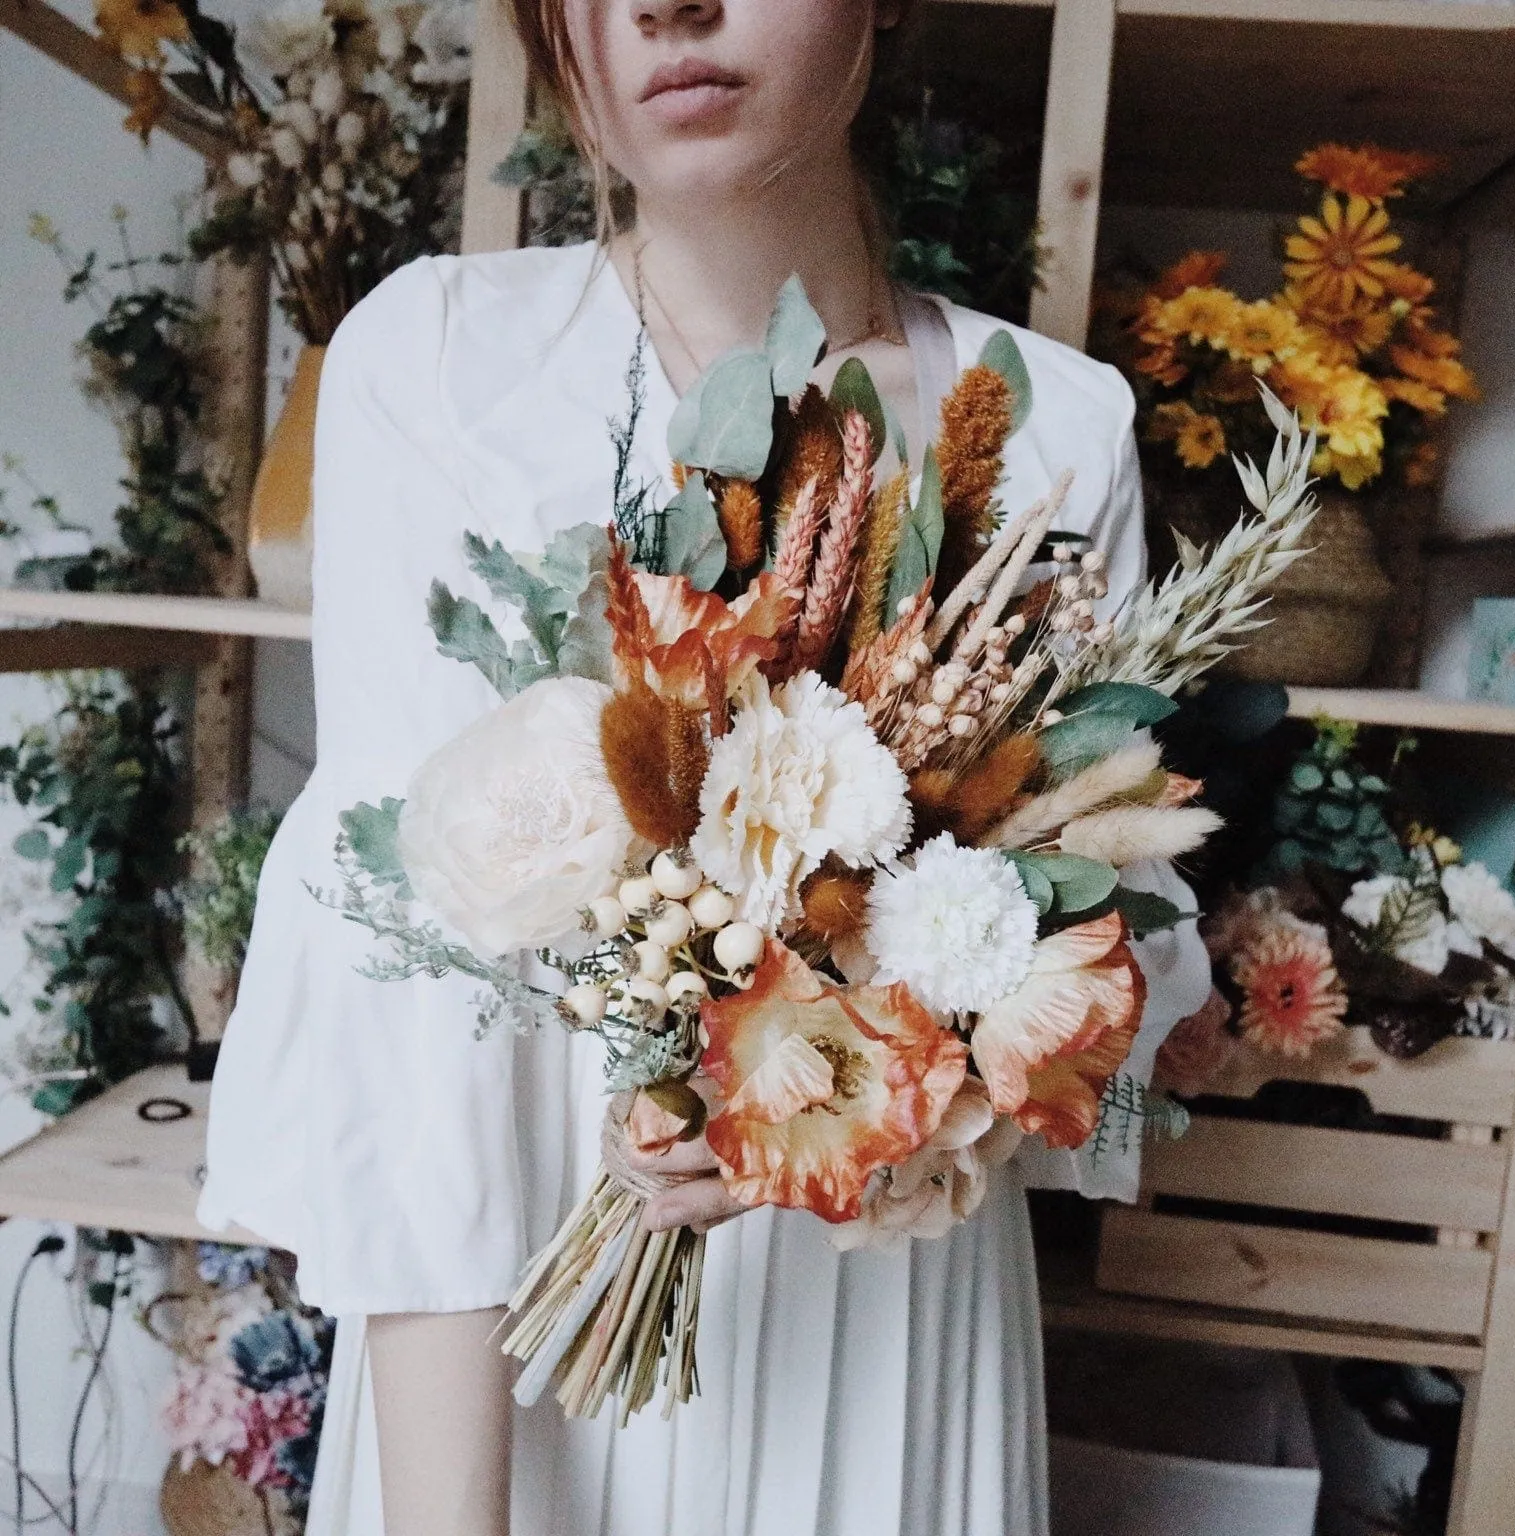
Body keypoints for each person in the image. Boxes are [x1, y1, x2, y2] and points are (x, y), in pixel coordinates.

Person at [199, 2, 1215, 1532]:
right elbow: (405, 1006)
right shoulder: (438, 361)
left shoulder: (1060, 431)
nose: (667, 3)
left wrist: (880, 1091)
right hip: (517, 1379)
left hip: (882, 1342)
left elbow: (1079, 983)